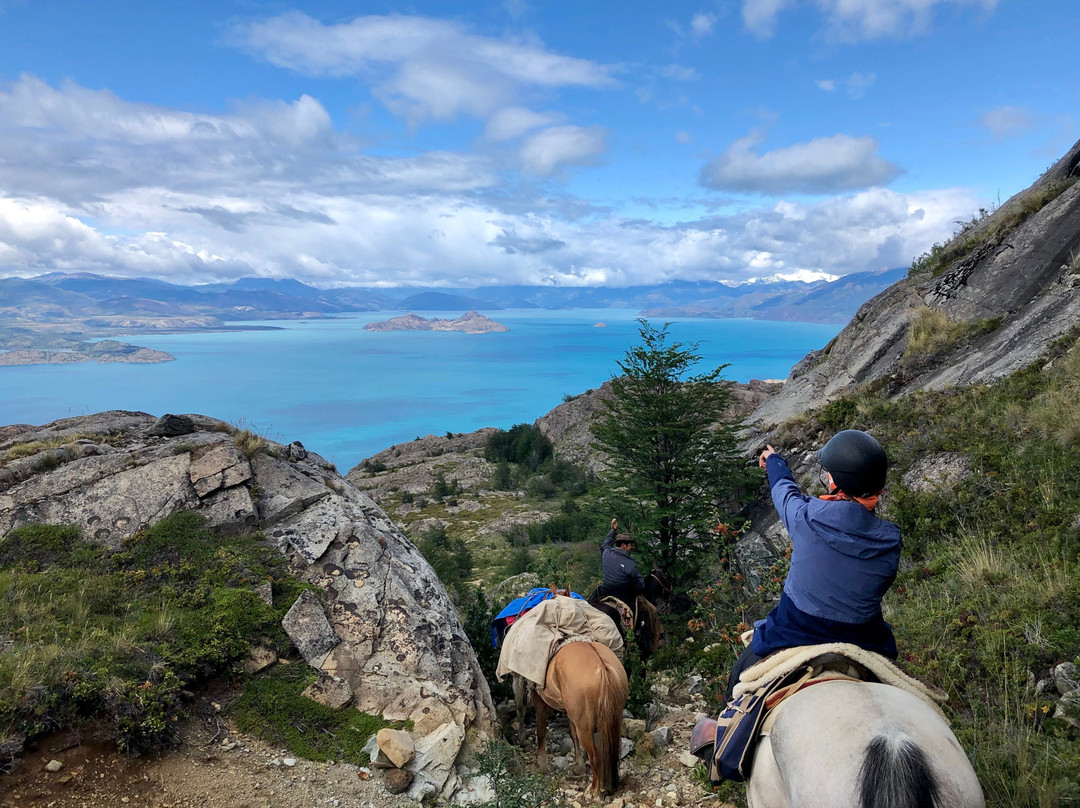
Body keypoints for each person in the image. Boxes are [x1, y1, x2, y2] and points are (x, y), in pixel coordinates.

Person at [723, 430, 901, 704]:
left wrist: (774, 461)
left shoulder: (806, 515)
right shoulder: (891, 539)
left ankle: (726, 730)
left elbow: (784, 490)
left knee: (739, 679)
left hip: (796, 630)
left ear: (834, 481)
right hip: (864, 638)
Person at [599, 518, 645, 607]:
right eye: (630, 545)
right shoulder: (630, 564)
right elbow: (640, 585)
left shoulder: (606, 553)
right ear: (623, 546)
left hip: (605, 591)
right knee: (649, 610)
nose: (631, 548)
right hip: (623, 596)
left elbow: (605, 544)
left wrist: (613, 531)